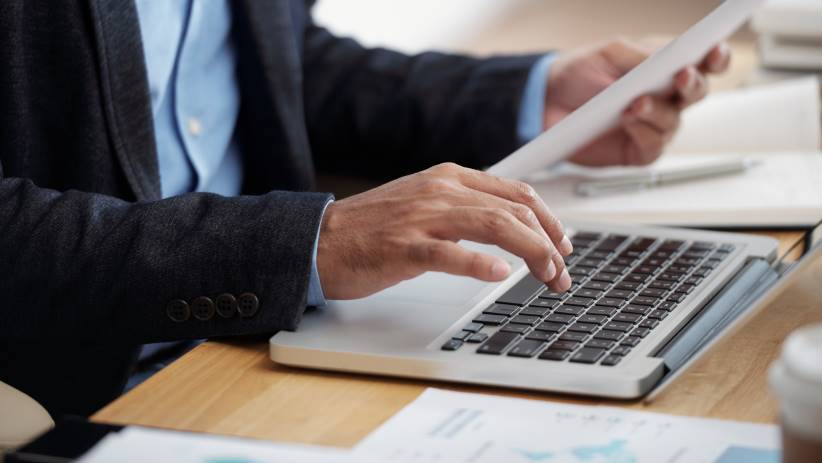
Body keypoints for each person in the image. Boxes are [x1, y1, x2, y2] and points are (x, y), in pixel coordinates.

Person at [0, 0, 729, 417]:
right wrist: (310, 244)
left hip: (276, 338)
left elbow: (284, 66)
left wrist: (535, 98)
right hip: (107, 389)